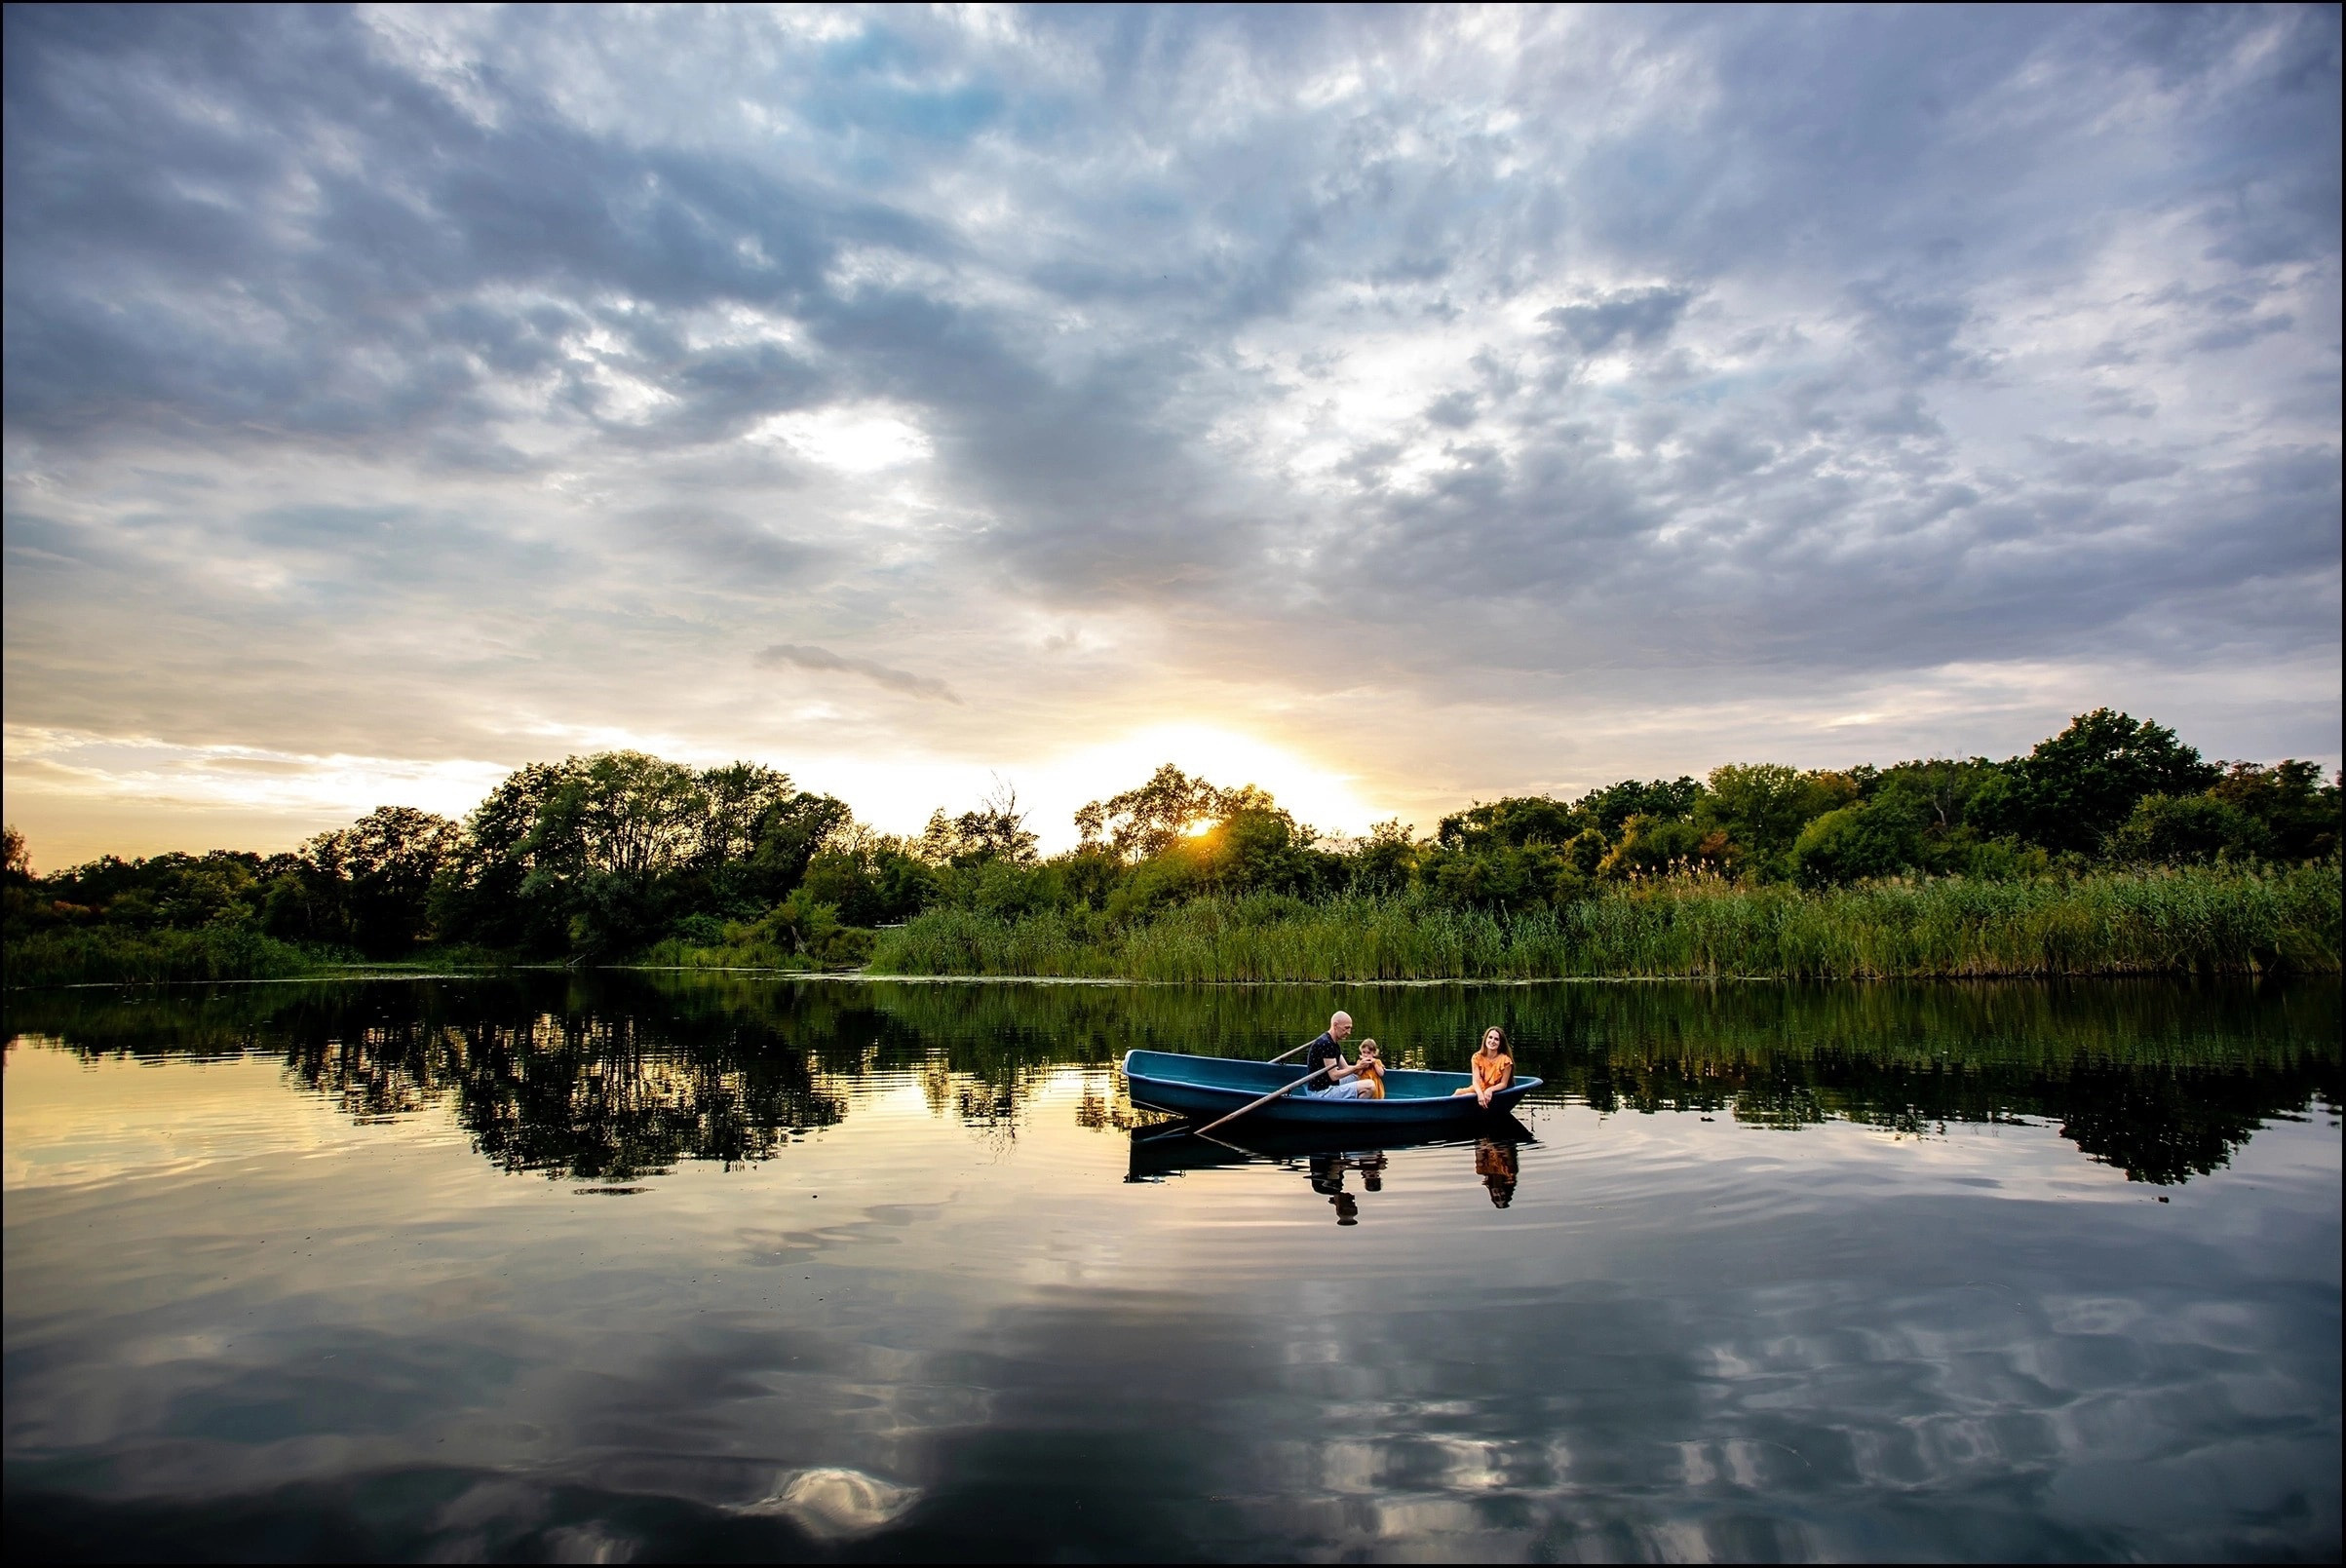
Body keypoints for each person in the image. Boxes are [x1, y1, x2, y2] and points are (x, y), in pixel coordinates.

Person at [1299, 1010, 1374, 1099]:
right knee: (1370, 1085)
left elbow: (1346, 1068)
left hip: (1330, 1084)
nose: (1349, 1032)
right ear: (1335, 1025)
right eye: (1346, 1028)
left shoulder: (1333, 1043)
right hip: (1321, 1093)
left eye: (1350, 1028)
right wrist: (1357, 1067)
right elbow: (1334, 1075)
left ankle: (1350, 1102)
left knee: (1359, 1076)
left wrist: (1363, 1066)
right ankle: (1352, 1111)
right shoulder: (1326, 1043)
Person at [1452, 1024, 1513, 1107]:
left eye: (1496, 1039)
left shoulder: (1505, 1061)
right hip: (1479, 1088)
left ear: (1500, 1043)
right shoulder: (1477, 1057)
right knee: (1458, 1092)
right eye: (1490, 1037)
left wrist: (1490, 1090)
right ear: (1485, 1039)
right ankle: (1442, 1108)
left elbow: (1503, 1084)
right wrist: (1480, 1094)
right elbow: (1475, 1081)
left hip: (1495, 1091)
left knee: (1466, 1097)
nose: (1492, 1041)